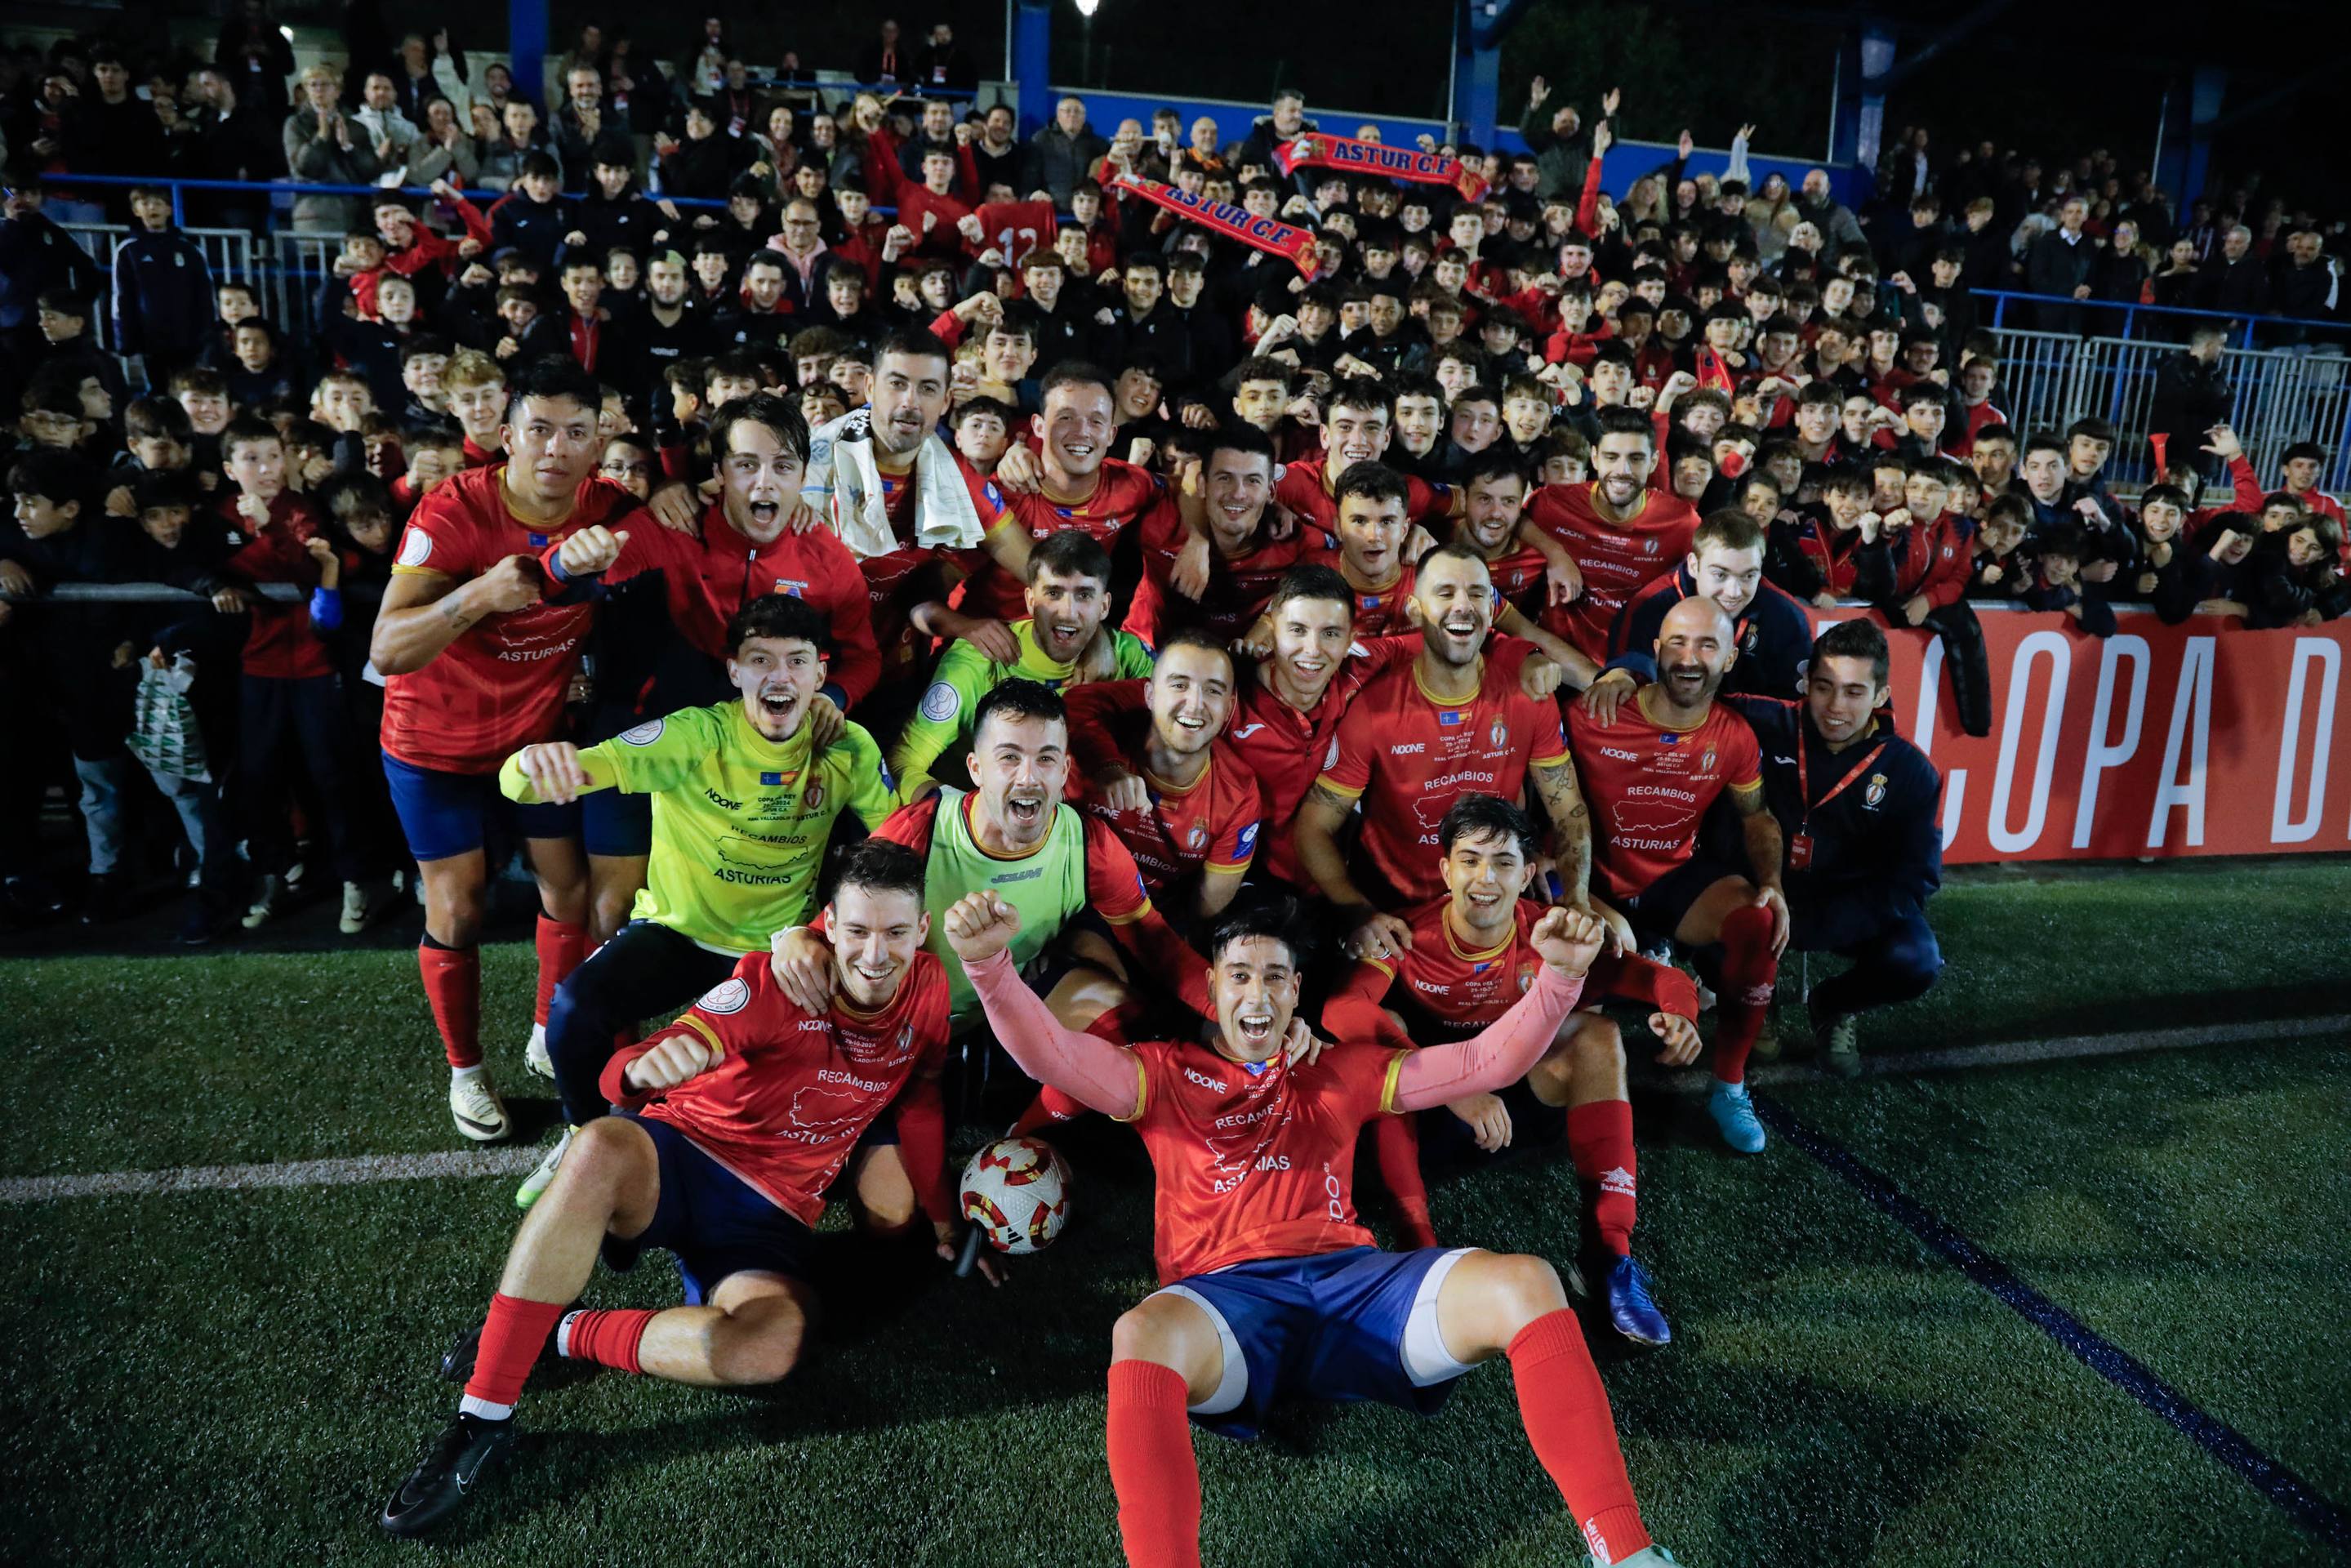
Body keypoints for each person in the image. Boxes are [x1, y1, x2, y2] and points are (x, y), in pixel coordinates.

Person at [946, 890, 1678, 1568]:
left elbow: (1485, 1061)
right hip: (1223, 1306)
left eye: (1274, 977)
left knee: (1526, 1281)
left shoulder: (1342, 1071)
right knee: (1139, 1334)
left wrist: (1558, 981)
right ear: (1214, 988)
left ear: (1296, 991)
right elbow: (1053, 1055)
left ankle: (1623, 1551)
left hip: (1354, 1288)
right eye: (1239, 976)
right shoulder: (1158, 1075)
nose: (1256, 994)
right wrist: (988, 966)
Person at [376, 840, 979, 1538]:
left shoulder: (930, 987)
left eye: (895, 933)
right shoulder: (776, 981)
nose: (875, 955)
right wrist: (644, 1068)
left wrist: (940, 1217)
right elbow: (625, 1075)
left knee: (773, 1346)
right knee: (600, 1143)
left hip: (772, 1217)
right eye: (857, 932)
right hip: (684, 1156)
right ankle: (481, 1420)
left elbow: (924, 1095)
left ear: (922, 930)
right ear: (827, 925)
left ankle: (563, 1334)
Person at [496, 592, 900, 1205]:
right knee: (573, 1011)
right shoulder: (693, 736)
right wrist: (532, 761)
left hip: (780, 949)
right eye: (759, 660)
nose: (778, 677)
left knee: (832, 1071)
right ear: (734, 671)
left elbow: (895, 847)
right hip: (676, 936)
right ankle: (581, 1136)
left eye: (795, 661)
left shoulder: (850, 748)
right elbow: (529, 783)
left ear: (821, 674)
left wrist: (821, 928)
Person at [368, 358, 643, 1142]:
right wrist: (476, 596)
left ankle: (544, 1037)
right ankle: (466, 1071)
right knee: (457, 908)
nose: (556, 448)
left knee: (568, 894)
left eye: (576, 433)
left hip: (535, 742)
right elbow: (387, 649)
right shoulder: (452, 511)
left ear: (599, 442)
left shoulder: (614, 506)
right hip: (433, 743)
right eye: (540, 430)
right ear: (504, 433)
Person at [1567, 597, 1784, 1153]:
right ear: (1656, 651)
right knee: (1573, 1020)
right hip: (1590, 880)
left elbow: (1756, 816)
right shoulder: (1595, 711)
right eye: (1679, 644)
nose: (1691, 659)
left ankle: (1728, 1086)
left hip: (1670, 879)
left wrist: (1772, 883)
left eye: (1707, 646)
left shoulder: (1733, 735)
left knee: (1758, 923)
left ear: (1729, 658)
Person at [1295, 542, 1595, 929]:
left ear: (1491, 609)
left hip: (1493, 894)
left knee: (1617, 934)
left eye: (1476, 594)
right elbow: (1313, 828)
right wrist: (1359, 911)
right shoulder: (1374, 709)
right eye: (1445, 593)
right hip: (1397, 902)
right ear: (1416, 609)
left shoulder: (1528, 695)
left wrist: (1577, 898)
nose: (1463, 606)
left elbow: (1568, 808)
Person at [889, 529, 1153, 801]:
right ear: (1030, 600)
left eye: (1084, 596)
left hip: (1081, 825)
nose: (1067, 612)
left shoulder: (1128, 658)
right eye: (1053, 593)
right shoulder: (979, 658)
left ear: (1105, 606)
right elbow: (903, 764)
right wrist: (969, 815)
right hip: (977, 829)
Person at [1062, 630, 1263, 929]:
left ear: (1229, 707)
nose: (1195, 704)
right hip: (1071, 905)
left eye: (1213, 691)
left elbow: (1204, 911)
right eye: (1179, 685)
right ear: (1150, 695)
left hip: (1155, 924)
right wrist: (1108, 769)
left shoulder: (1239, 793)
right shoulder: (1091, 751)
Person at [1525, 408, 1701, 662]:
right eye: (1611, 457)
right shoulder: (1553, 504)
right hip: (1557, 663)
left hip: (1632, 667)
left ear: (1653, 461)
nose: (1623, 470)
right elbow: (1510, 521)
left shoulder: (1681, 522)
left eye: (1636, 459)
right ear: (1595, 459)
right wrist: (1554, 551)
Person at [1597, 509, 1813, 702]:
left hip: (1748, 735)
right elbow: (1624, 672)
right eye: (1720, 574)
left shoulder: (1788, 617)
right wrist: (1622, 674)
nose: (1734, 592)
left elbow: (1793, 706)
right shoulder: (1649, 605)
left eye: (1748, 575)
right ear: (1693, 565)